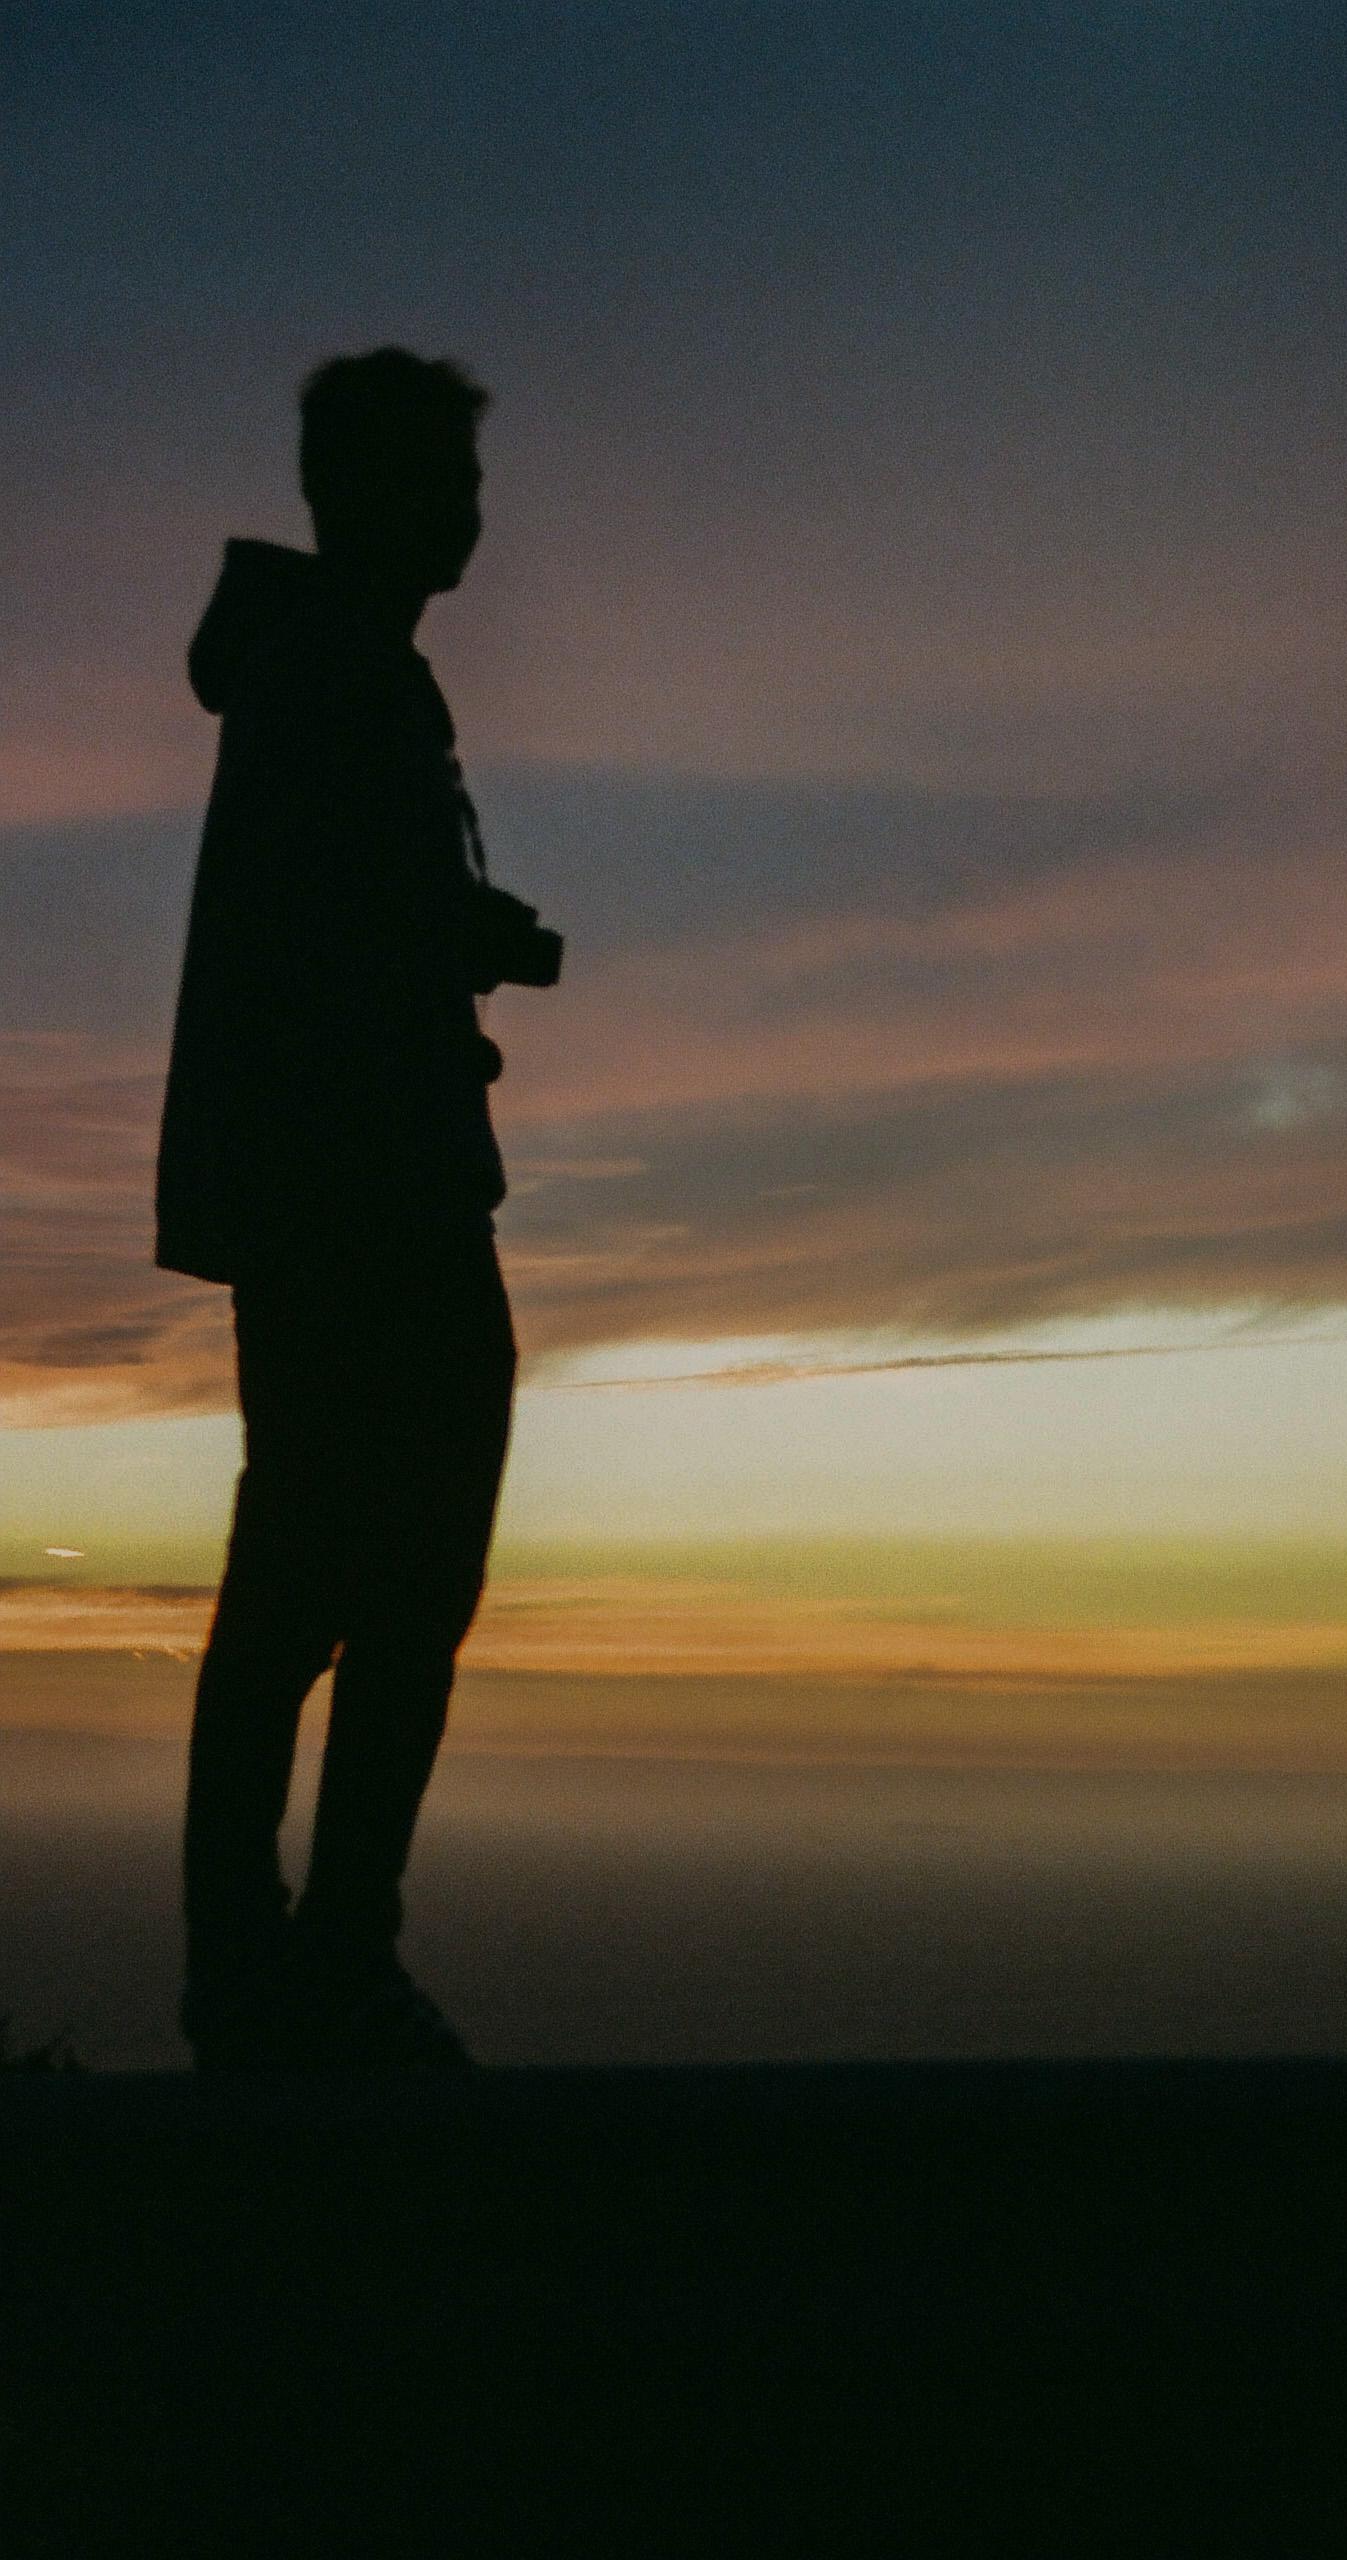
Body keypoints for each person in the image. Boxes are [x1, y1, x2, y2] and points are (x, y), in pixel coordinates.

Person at [156, 348, 561, 2070]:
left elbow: (324, 927)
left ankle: (275, 1962)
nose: (469, 514)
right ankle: (316, 1966)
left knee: (315, 1582)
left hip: (334, 1203)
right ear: (361, 494)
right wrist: (457, 951)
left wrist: (456, 937)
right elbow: (325, 954)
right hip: (368, 1210)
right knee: (375, 1589)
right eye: (442, 482)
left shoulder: (334, 674)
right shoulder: (339, 679)